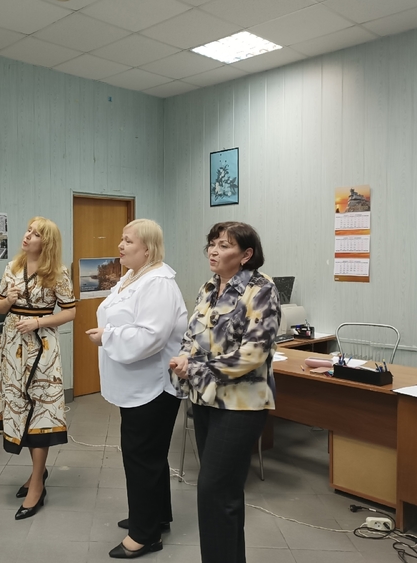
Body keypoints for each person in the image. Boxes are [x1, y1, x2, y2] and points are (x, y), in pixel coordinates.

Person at [169, 222, 280, 563]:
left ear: (246, 255)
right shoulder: (209, 287)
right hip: (206, 399)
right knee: (222, 494)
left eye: (224, 245)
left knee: (214, 490)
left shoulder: (261, 289)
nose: (213, 251)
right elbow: (191, 336)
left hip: (241, 405)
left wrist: (198, 368)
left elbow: (254, 353)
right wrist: (184, 358)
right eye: (212, 244)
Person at [85, 219, 187, 559]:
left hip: (153, 387)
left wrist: (108, 336)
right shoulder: (133, 276)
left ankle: (145, 535)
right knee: (148, 456)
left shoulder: (158, 283)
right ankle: (155, 516)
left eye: (128, 241)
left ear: (148, 248)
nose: (121, 245)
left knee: (142, 457)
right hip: (137, 385)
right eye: (122, 238)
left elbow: (150, 336)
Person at [0, 217, 76, 520]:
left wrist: (39, 321)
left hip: (42, 350)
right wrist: (8, 300)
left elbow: (70, 312)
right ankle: (37, 473)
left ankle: (37, 484)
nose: (28, 236)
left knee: (41, 413)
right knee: (21, 410)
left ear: (47, 242)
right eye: (28, 230)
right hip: (12, 348)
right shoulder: (12, 268)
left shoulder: (57, 273)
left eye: (36, 233)